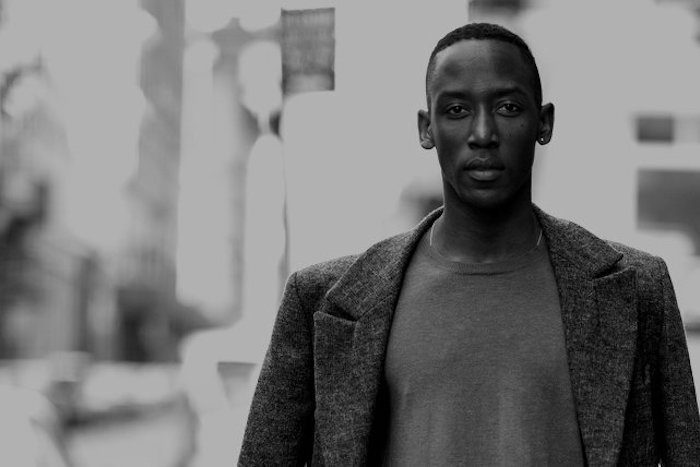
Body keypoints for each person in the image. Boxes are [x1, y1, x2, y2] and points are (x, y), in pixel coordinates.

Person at [239, 22, 700, 466]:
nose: (483, 134)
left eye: (508, 108)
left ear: (543, 123)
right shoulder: (323, 301)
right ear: (426, 128)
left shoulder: (637, 290)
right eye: (457, 110)